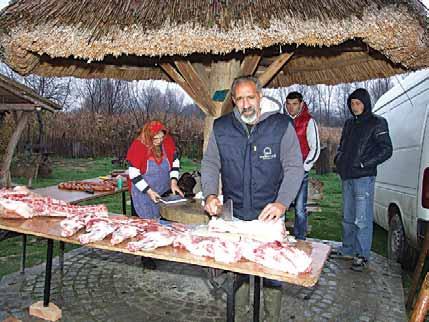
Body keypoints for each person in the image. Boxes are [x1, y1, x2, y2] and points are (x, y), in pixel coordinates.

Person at [201, 76, 304, 322]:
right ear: (233, 101)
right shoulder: (222, 127)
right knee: (238, 271)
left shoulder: (280, 125)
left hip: (268, 217)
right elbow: (210, 163)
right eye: (239, 100)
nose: (246, 105)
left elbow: (294, 167)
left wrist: (282, 202)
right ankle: (240, 316)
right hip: (234, 214)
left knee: (271, 275)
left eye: (250, 97)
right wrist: (210, 194)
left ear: (260, 96)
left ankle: (271, 318)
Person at [334, 88, 392, 272]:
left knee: (362, 219)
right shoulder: (349, 123)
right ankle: (348, 250)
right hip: (347, 176)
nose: (354, 107)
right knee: (347, 217)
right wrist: (339, 160)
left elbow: (386, 149)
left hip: (363, 177)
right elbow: (342, 146)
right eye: (352, 104)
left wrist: (363, 164)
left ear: (365, 103)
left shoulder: (378, 123)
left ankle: (362, 255)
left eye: (358, 103)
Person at [126, 120, 184, 268]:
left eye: (161, 138)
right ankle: (146, 257)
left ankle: (161, 248)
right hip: (143, 192)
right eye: (155, 138)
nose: (159, 141)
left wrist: (173, 181)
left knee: (162, 222)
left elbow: (175, 161)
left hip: (163, 189)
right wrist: (149, 191)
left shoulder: (167, 141)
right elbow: (133, 173)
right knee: (145, 225)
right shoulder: (138, 146)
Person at [284, 91, 320, 240]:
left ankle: (300, 240)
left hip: (300, 171)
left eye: (295, 104)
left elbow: (315, 147)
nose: (291, 107)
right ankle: (279, 238)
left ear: (301, 104)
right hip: (282, 171)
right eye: (289, 104)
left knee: (299, 208)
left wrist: (305, 167)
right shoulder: (281, 121)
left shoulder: (308, 121)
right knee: (280, 205)